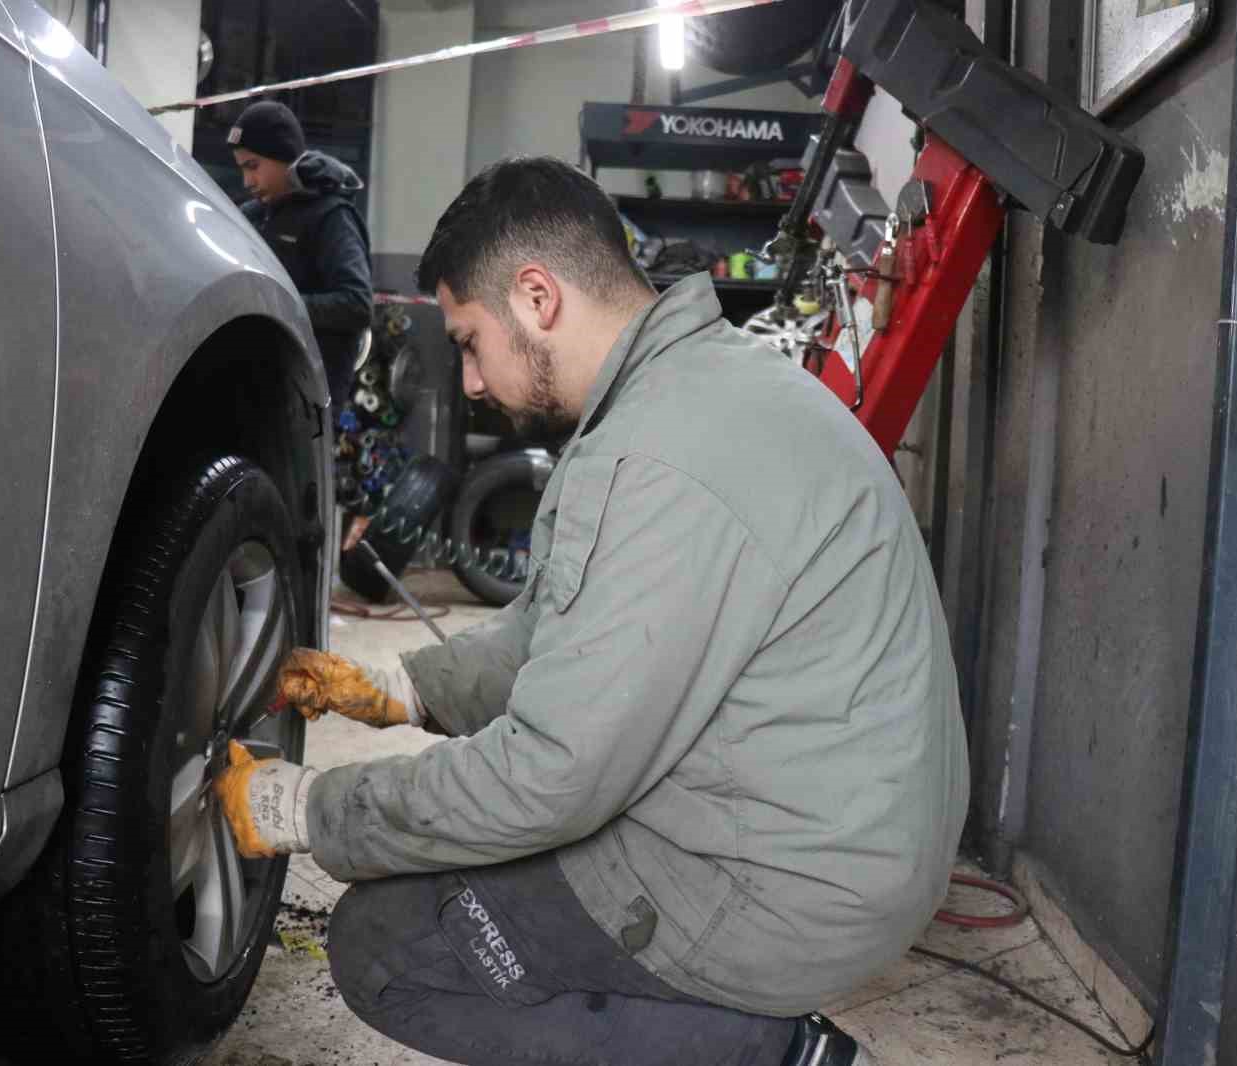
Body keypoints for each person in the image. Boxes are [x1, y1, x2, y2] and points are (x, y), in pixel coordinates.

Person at [214, 156, 969, 1066]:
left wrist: (311, 809)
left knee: (387, 947)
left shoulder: (652, 460)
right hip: (833, 833)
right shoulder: (694, 390)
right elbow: (554, 635)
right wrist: (394, 689)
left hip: (777, 882)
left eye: (466, 341)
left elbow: (549, 777)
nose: (476, 383)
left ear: (537, 297)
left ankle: (773, 1056)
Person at [228, 100, 372, 416]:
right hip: (258, 391)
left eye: (254, 166)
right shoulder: (251, 217)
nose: (247, 182)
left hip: (307, 404)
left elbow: (357, 303)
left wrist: (279, 305)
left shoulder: (331, 217)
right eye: (242, 169)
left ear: (284, 159)